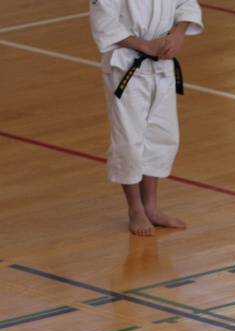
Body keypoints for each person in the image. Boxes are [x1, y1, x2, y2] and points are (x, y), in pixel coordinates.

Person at [89, 0, 203, 236]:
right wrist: (145, 45)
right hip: (125, 65)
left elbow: (186, 4)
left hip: (162, 63)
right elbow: (104, 23)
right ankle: (135, 209)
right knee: (129, 140)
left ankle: (150, 206)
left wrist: (177, 34)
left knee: (161, 134)